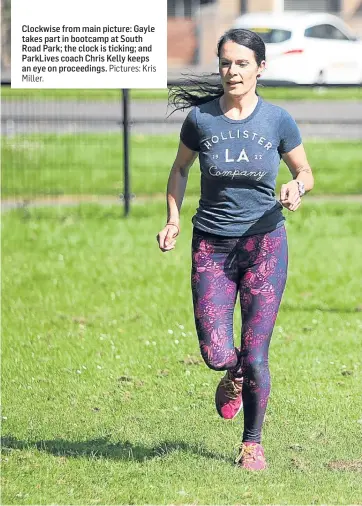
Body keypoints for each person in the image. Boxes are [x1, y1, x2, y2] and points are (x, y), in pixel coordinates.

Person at [156, 28, 314, 471]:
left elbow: (305, 171)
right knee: (217, 353)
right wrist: (172, 219)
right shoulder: (202, 120)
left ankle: (252, 443)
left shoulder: (278, 120)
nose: (232, 71)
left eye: (242, 63)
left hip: (266, 244)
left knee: (257, 351)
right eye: (226, 63)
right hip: (212, 247)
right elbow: (180, 170)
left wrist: (296, 187)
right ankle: (232, 372)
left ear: (260, 68)